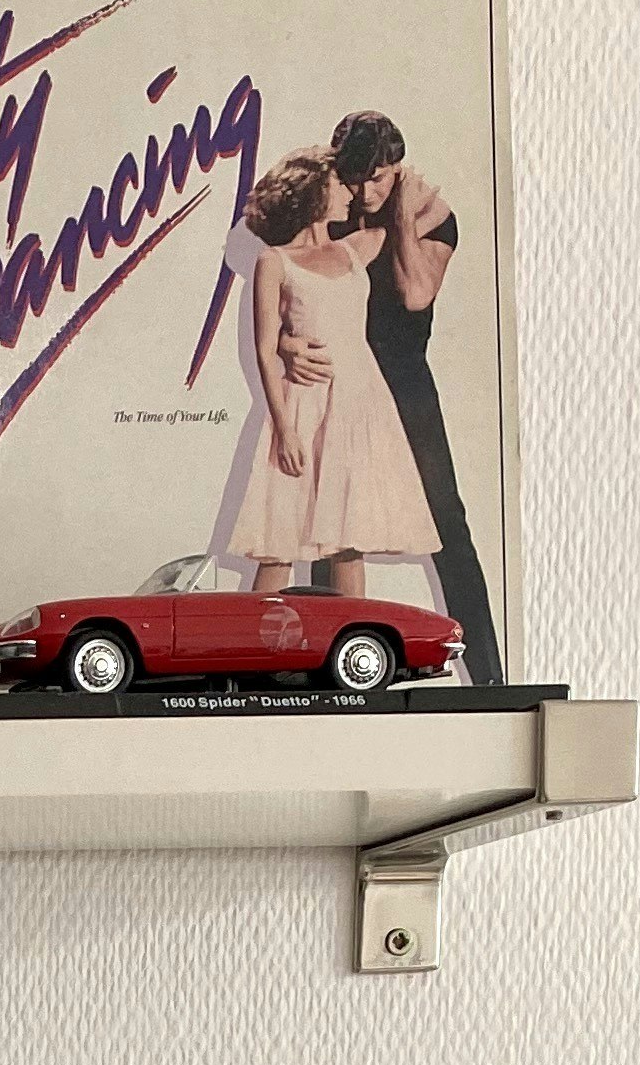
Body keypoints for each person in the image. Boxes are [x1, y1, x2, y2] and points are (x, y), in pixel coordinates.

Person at [323, 109, 504, 686]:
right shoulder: (333, 212)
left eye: (377, 179)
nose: (363, 192)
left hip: (404, 381)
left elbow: (415, 294)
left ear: (398, 170)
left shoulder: (434, 219)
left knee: (448, 524)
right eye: (355, 179)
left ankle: (492, 679)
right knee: (329, 528)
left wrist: (400, 213)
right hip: (343, 380)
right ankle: (331, 681)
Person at [211, 148, 439, 598]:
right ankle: (252, 656)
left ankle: (350, 654)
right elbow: (262, 348)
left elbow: (404, 211)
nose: (350, 194)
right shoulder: (273, 261)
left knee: (347, 544)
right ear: (314, 194)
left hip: (359, 406)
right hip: (303, 406)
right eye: (338, 185)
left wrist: (397, 171)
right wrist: (284, 430)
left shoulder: (355, 248)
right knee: (278, 544)